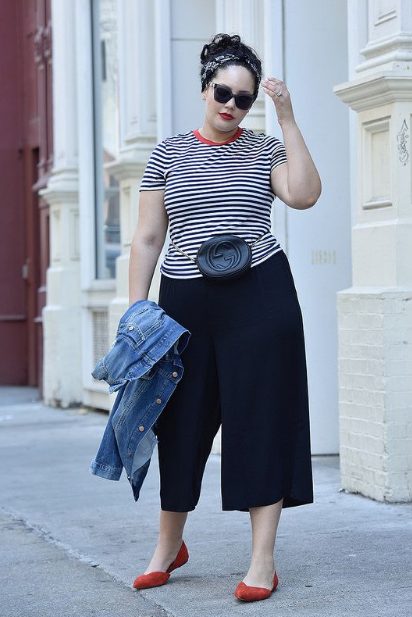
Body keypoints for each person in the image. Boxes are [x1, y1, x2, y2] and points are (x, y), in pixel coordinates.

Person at [128, 32, 321, 602]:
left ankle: (262, 561)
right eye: (223, 92)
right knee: (179, 424)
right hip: (185, 300)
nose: (231, 105)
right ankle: (169, 547)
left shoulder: (263, 148)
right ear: (204, 87)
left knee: (260, 420)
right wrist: (138, 309)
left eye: (244, 98)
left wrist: (286, 119)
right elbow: (145, 239)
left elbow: (306, 195)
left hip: (260, 294)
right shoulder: (166, 152)